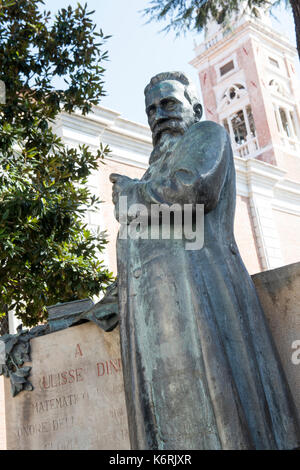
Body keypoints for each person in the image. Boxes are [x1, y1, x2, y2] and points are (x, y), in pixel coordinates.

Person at [109, 72, 300, 450]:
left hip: (203, 291)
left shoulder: (207, 135)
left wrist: (131, 194)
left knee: (220, 408)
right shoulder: (154, 169)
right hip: (156, 314)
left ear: (194, 109)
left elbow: (194, 189)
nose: (158, 115)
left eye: (168, 104)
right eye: (151, 109)